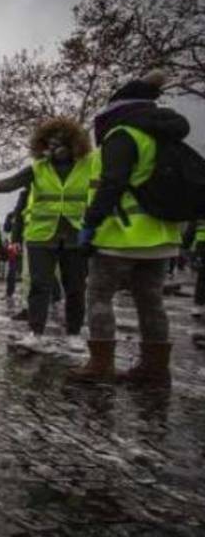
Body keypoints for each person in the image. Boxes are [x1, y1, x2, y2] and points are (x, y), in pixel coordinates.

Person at [70, 71, 188, 385]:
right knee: (151, 300)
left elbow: (112, 183)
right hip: (160, 235)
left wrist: (91, 223)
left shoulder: (123, 134)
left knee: (98, 296)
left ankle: (101, 365)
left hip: (120, 236)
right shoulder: (162, 134)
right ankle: (155, 368)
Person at [0, 118, 92, 351]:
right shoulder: (39, 167)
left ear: (72, 143)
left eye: (59, 143)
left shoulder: (87, 165)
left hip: (74, 234)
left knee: (75, 287)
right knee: (40, 285)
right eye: (49, 144)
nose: (54, 148)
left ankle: (73, 333)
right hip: (41, 235)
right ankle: (35, 332)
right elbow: (15, 180)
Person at [188, 219, 205, 319]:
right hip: (202, 246)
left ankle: (198, 305)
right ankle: (198, 305)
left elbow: (191, 229)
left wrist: (185, 244)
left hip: (202, 246)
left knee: (202, 277)